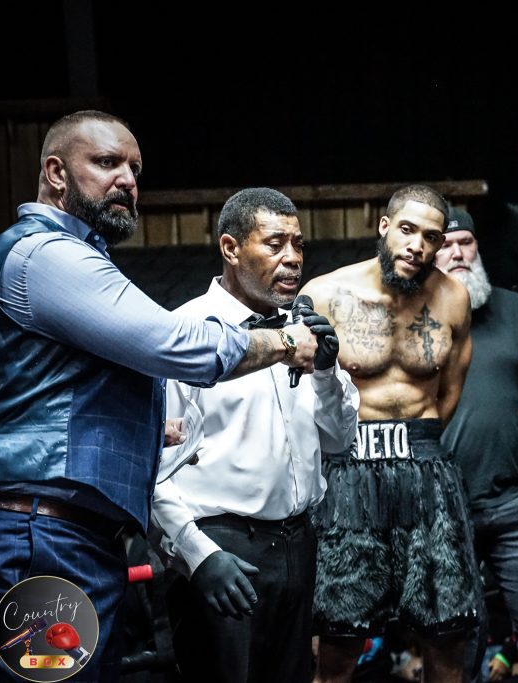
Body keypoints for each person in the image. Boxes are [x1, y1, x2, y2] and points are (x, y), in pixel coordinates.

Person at [0, 110, 321, 680]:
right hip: (44, 534)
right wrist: (286, 342)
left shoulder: (72, 257)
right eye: (106, 163)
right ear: (56, 173)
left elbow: (47, 393)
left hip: (72, 536)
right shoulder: (46, 253)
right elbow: (174, 345)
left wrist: (139, 426)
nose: (127, 180)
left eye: (135, 169)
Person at [150, 188, 360, 682]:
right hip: (221, 547)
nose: (293, 258)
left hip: (299, 543)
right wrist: (198, 555)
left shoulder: (303, 330)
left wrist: (325, 372)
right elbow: (149, 465)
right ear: (231, 248)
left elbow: (339, 441)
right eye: (275, 243)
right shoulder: (185, 331)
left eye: (298, 244)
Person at [299, 184, 476, 683]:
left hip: (426, 471)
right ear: (384, 226)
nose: (417, 245)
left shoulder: (453, 298)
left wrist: (415, 442)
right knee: (339, 638)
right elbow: (304, 396)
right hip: (349, 471)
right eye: (407, 230)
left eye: (431, 237)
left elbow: (448, 394)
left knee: (446, 634)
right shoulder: (326, 293)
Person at [435, 208, 518, 683]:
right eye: (445, 244)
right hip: (445, 503)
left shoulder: (516, 311)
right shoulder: (414, 316)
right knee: (458, 629)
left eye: (465, 242)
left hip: (516, 496)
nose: (457, 252)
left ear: (477, 248)